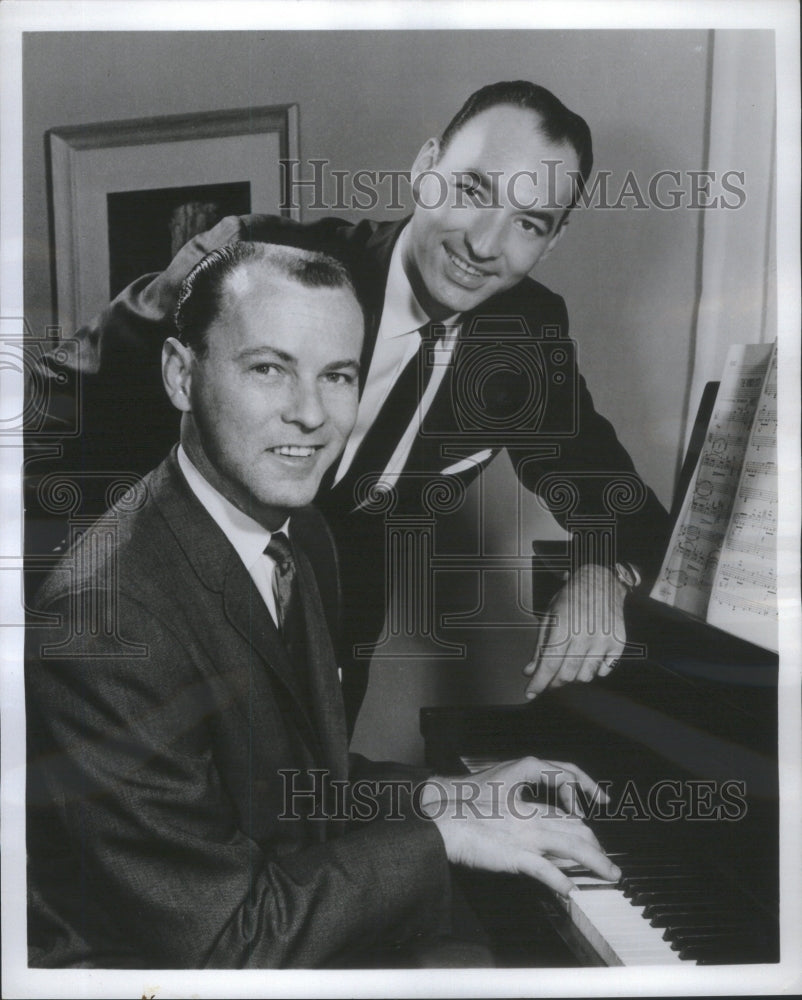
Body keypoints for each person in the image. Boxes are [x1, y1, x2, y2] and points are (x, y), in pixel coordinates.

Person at [26, 242, 621, 969]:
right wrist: (442, 840)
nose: (311, 414)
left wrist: (443, 797)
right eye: (268, 369)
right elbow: (219, 943)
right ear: (182, 375)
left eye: (338, 375)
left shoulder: (301, 534)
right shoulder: (102, 621)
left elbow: (284, 787)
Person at [36, 80, 671, 731]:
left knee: (313, 826)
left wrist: (604, 570)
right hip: (139, 630)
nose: (485, 243)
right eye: (473, 190)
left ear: (552, 241)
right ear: (425, 168)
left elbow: (629, 511)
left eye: (529, 222)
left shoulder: (526, 338)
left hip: (324, 664)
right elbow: (45, 415)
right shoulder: (254, 263)